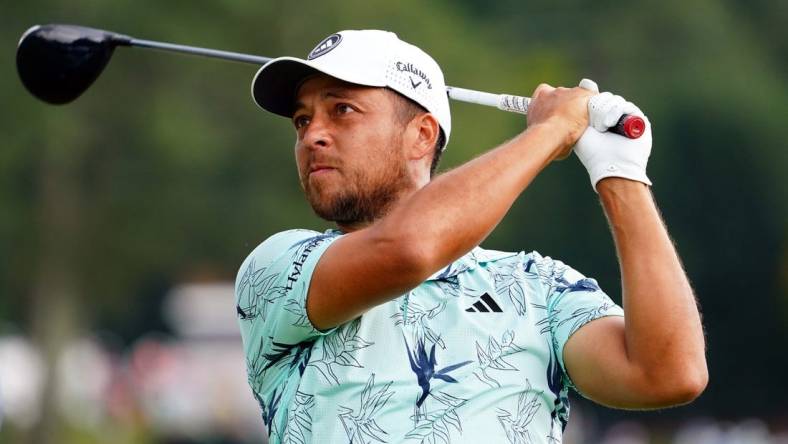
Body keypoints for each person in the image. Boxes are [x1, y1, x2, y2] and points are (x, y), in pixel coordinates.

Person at [235, 30, 707, 443]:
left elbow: (667, 374)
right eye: (302, 120)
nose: (312, 134)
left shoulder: (538, 286)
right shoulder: (279, 267)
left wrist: (618, 173)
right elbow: (408, 250)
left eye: (342, 110)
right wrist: (553, 131)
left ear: (422, 136)